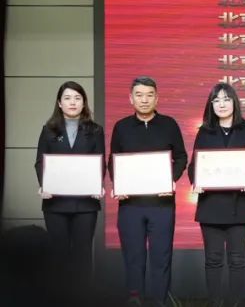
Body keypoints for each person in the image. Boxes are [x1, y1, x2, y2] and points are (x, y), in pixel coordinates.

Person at [109, 76, 188, 306]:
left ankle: (160, 300)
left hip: (162, 204)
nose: (144, 100)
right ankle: (135, 299)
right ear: (131, 98)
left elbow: (181, 157)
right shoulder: (121, 127)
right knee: (133, 256)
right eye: (139, 95)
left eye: (149, 95)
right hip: (130, 205)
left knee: (161, 256)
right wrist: (118, 184)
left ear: (157, 98)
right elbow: (113, 160)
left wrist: (171, 180)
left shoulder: (169, 124)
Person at [188, 83, 245, 306]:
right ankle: (215, 302)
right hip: (211, 205)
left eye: (226, 99)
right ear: (211, 105)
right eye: (216, 100)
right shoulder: (204, 132)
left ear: (234, 102)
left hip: (240, 204)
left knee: (237, 259)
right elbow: (194, 166)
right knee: (213, 259)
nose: (221, 104)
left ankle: (235, 303)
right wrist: (196, 181)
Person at [33, 81, 106, 290]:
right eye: (67, 98)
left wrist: (97, 184)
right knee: (58, 254)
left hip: (86, 204)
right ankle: (59, 298)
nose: (72, 102)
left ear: (84, 102)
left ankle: (83, 298)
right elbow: (40, 162)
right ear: (59, 103)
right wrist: (44, 184)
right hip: (55, 203)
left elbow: (100, 161)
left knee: (83, 255)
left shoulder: (95, 130)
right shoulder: (48, 130)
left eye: (77, 98)